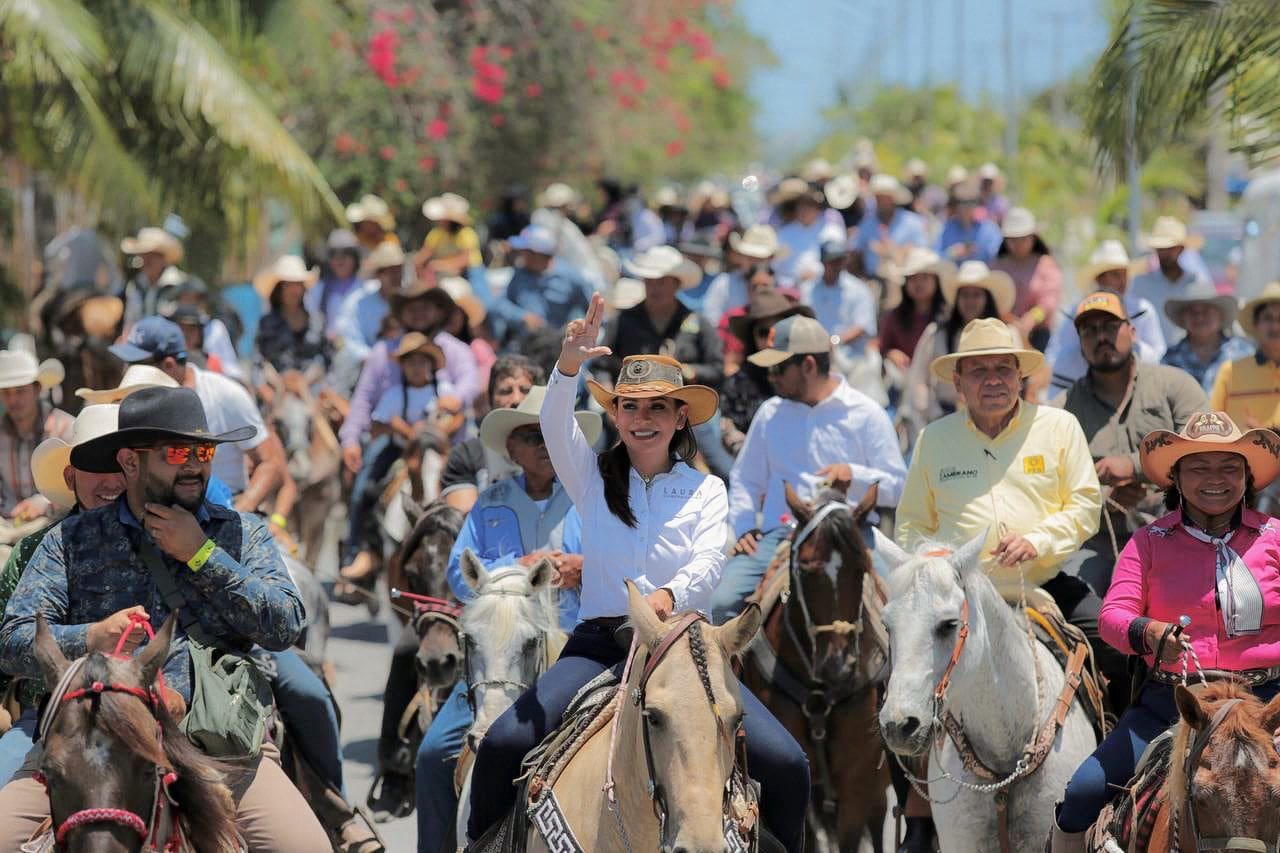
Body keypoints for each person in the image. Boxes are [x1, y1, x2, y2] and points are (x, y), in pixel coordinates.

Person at [466, 295, 810, 853]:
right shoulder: (591, 478)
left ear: (680, 418)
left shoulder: (708, 489)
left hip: (687, 650)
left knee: (789, 765)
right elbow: (553, 422)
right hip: (600, 645)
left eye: (657, 408)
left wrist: (671, 595)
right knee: (504, 741)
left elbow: (709, 562)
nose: (642, 419)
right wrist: (568, 364)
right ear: (615, 416)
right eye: (630, 407)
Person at [0, 386, 330, 851]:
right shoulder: (69, 541)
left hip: (217, 744)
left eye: (203, 452)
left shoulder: (241, 532)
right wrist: (91, 636)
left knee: (307, 848)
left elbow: (286, 626)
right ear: (130, 462)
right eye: (176, 452)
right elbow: (12, 642)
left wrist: (202, 554)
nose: (194, 464)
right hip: (88, 745)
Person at [896, 319, 1114, 851]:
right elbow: (911, 528)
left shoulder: (1058, 427)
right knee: (898, 681)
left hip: (1042, 586)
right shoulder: (934, 439)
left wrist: (1038, 539)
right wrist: (942, 563)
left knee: (1116, 644)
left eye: (1003, 369)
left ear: (1021, 377)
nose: (992, 379)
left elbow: (1085, 503)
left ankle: (1120, 788)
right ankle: (917, 812)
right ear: (959, 382)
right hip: (958, 598)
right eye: (978, 371)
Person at [1051, 411, 1280, 852]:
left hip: (1268, 703)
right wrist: (1148, 632)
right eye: (1199, 467)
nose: (1215, 479)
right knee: (1082, 793)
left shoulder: (1275, 538)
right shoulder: (1148, 542)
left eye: (1229, 467)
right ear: (1176, 476)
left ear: (1247, 476)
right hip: (1173, 704)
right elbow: (1113, 616)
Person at [414, 386, 599, 852]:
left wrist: (584, 568)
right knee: (434, 754)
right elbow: (458, 575)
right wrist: (517, 571)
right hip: (498, 658)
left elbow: (623, 566)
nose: (543, 446)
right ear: (511, 449)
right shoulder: (489, 502)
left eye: (552, 436)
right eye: (532, 437)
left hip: (578, 651)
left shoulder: (591, 498)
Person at [712, 314, 906, 623]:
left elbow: (897, 487)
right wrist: (745, 524)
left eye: (778, 368)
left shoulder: (866, 413)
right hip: (781, 535)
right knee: (721, 603)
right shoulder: (770, 412)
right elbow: (746, 479)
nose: (770, 376)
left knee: (897, 608)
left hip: (851, 532)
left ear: (809, 365)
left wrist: (854, 475)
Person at [1057, 293, 1207, 662]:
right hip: (1098, 540)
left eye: (1110, 326)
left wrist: (1135, 465)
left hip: (1178, 531)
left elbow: (1207, 450)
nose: (1101, 337)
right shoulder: (1061, 411)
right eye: (1089, 331)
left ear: (1133, 331)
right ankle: (1102, 685)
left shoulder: (1174, 385)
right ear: (1080, 343)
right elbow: (1050, 488)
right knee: (1070, 600)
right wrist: (1100, 495)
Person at [0, 403, 121, 785]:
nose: (112, 481)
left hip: (147, 713)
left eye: (122, 465)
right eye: (95, 465)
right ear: (70, 477)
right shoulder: (33, 549)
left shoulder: (168, 540)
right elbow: (6, 642)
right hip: (46, 716)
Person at [109, 317, 285, 513]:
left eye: (205, 452)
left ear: (169, 365)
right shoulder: (134, 401)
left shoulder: (225, 394)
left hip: (223, 506)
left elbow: (270, 462)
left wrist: (238, 513)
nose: (129, 372)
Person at [599, 245, 730, 479]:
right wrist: (609, 401)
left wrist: (689, 371)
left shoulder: (697, 322)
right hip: (630, 408)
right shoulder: (624, 320)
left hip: (685, 410)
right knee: (595, 455)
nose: (654, 287)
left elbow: (717, 368)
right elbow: (601, 362)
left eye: (661, 282)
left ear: (677, 284)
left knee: (721, 465)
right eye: (649, 281)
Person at [341, 332, 455, 584]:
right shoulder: (394, 394)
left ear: (431, 365)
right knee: (369, 490)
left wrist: (438, 429)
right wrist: (403, 430)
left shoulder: (443, 390)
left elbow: (456, 414)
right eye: (411, 362)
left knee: (461, 488)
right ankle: (367, 550)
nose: (417, 368)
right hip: (402, 453)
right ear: (402, 366)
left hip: (437, 453)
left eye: (422, 362)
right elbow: (378, 424)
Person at [339, 281, 481, 482]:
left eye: (425, 307)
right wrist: (350, 440)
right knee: (365, 489)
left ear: (438, 312)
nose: (418, 313)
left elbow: (471, 380)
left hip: (449, 442)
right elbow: (363, 398)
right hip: (396, 444)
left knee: (476, 481)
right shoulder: (382, 352)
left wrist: (457, 398)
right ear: (401, 314)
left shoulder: (456, 349)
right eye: (412, 308)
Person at [1045, 240, 1166, 393]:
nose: (1122, 280)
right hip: (1082, 387)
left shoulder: (1143, 309)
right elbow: (1056, 355)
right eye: (1115, 275)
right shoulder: (1076, 312)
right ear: (1099, 278)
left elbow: (1158, 354)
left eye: (1124, 274)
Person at [905, 260, 1017, 424]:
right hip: (944, 414)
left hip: (996, 417)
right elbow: (918, 378)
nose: (970, 301)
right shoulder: (937, 333)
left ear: (988, 299)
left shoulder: (1008, 334)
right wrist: (935, 414)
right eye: (965, 295)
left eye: (976, 295)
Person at [439, 356, 542, 513]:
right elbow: (463, 520)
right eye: (506, 391)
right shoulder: (466, 454)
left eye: (526, 391)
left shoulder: (557, 452)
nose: (516, 399)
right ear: (490, 399)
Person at [719, 291, 814, 451]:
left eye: (779, 330)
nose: (772, 339)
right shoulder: (738, 383)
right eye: (764, 332)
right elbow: (729, 430)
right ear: (752, 337)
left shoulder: (809, 372)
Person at [488, 224, 596, 348]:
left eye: (524, 251)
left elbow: (592, 310)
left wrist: (576, 330)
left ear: (537, 254)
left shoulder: (571, 277)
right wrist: (522, 316)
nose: (520, 254)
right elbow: (498, 303)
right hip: (522, 344)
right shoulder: (520, 274)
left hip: (557, 347)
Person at [0, 350, 73, 522]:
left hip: (58, 523)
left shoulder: (66, 429)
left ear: (37, 389)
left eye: (20, 391)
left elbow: (80, 484)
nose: (13, 400)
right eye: (6, 392)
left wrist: (44, 503)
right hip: (8, 523)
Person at [1129, 216, 1212, 346]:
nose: (1164, 253)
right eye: (1160, 249)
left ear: (1181, 249)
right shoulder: (1141, 285)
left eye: (1170, 248)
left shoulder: (1198, 285)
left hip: (1188, 355)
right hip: (1152, 356)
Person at [801, 240, 878, 378]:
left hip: (851, 357)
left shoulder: (859, 289)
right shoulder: (808, 289)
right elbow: (803, 321)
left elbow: (862, 326)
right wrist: (821, 345)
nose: (837, 265)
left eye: (840, 260)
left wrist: (834, 342)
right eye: (832, 261)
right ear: (822, 262)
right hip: (816, 354)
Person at [1209, 282, 1280, 432]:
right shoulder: (1230, 371)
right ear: (1255, 324)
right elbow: (1213, 428)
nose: (1275, 327)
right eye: (1268, 318)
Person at [1160, 280, 1251, 393]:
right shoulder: (1170, 358)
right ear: (1183, 318)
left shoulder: (1243, 353)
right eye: (1193, 312)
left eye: (1206, 311)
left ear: (1220, 316)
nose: (1199, 318)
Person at [991, 206, 1062, 351]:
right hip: (1002, 332)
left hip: (1038, 335)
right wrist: (1008, 319)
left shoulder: (1045, 265)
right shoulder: (996, 266)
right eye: (1013, 240)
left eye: (1023, 239)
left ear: (1033, 238)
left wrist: (1032, 318)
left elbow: (1048, 303)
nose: (1018, 245)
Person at [877, 246, 954, 375]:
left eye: (924, 278)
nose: (919, 284)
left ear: (936, 281)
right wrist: (891, 353)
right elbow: (883, 347)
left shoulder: (949, 316)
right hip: (904, 377)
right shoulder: (893, 317)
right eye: (913, 278)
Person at [254, 255, 331, 376]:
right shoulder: (266, 323)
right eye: (287, 285)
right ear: (278, 290)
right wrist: (277, 381)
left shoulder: (317, 321)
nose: (294, 290)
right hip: (277, 385)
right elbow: (260, 360)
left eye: (298, 284)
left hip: (313, 385)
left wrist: (308, 380)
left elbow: (326, 358)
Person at [700, 225, 785, 326]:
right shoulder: (723, 284)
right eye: (750, 257)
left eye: (760, 258)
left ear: (771, 259)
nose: (754, 262)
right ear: (742, 257)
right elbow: (710, 320)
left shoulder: (783, 287)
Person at [854, 174, 928, 280]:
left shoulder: (912, 222)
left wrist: (895, 252)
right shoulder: (866, 223)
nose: (881, 201)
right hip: (872, 280)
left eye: (885, 198)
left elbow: (922, 250)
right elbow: (856, 253)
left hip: (905, 280)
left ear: (894, 199)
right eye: (878, 197)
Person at [119, 226, 184, 326]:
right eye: (144, 254)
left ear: (164, 258)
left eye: (153, 255)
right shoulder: (135, 285)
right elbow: (130, 323)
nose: (147, 260)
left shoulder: (179, 286)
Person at [309, 230, 364, 336]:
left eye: (346, 254)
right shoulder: (318, 289)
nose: (340, 261)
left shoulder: (366, 288)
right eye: (334, 255)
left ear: (355, 258)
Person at [417, 193, 483, 278]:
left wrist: (440, 265)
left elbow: (465, 259)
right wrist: (416, 263)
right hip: (447, 273)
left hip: (470, 271)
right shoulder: (436, 233)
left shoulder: (466, 233)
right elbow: (425, 253)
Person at [936, 181, 1002, 264]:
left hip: (983, 271)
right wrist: (952, 253)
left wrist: (979, 251)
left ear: (977, 204)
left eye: (971, 202)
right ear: (955, 204)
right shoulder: (947, 228)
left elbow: (999, 256)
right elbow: (935, 256)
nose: (966, 207)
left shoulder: (989, 229)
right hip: (953, 272)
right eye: (962, 202)